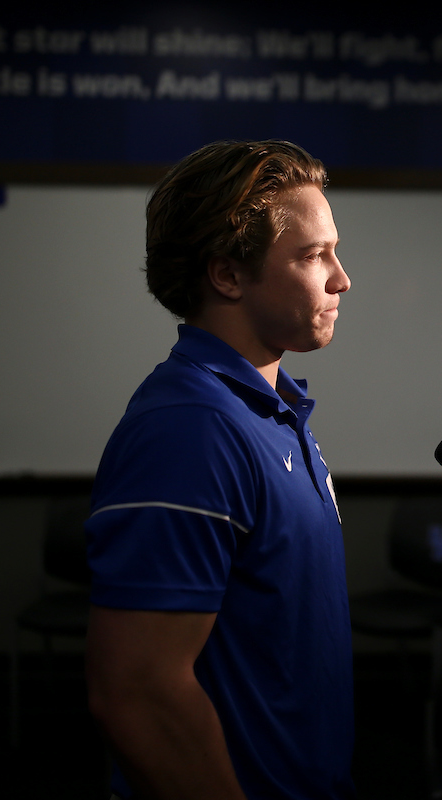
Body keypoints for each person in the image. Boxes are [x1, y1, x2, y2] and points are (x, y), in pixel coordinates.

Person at [84, 140, 354, 800]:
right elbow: (140, 695)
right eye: (313, 255)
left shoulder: (271, 410)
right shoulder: (191, 429)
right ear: (228, 276)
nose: (340, 278)